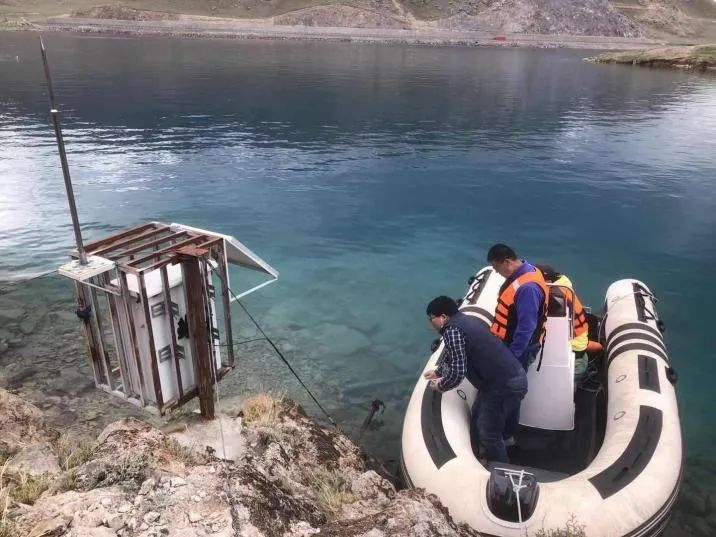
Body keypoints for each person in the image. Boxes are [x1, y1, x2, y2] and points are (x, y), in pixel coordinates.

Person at [424, 296, 527, 464]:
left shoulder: (452, 331)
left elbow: (458, 372)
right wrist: (439, 371)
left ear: (443, 317)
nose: (431, 323)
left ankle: (502, 468)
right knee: (479, 415)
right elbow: (456, 355)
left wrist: (440, 385)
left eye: (431, 318)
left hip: (503, 385)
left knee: (488, 434)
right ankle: (505, 447)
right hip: (507, 378)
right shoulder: (464, 321)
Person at [487, 244, 549, 371]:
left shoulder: (528, 289)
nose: (497, 272)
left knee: (509, 379)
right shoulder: (528, 270)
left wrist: (512, 357)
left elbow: (526, 327)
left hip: (519, 348)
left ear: (507, 262)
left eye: (497, 268)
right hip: (509, 339)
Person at [536, 265, 602, 381]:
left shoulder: (554, 297)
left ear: (548, 281)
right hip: (579, 341)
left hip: (573, 352)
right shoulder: (564, 286)